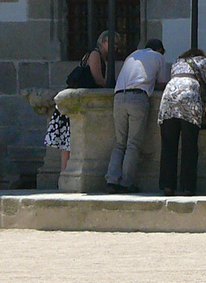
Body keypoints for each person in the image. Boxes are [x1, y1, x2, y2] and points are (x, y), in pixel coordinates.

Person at [157, 48, 206, 197]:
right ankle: (188, 187)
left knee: (168, 145)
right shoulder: (205, 62)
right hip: (189, 99)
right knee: (189, 145)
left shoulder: (177, 62)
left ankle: (168, 186)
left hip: (168, 99)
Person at [106, 38, 166, 193]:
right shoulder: (157, 57)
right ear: (159, 49)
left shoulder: (132, 55)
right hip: (138, 97)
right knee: (133, 143)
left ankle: (112, 180)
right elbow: (162, 82)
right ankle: (126, 182)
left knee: (120, 142)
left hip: (119, 97)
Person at [46, 29, 111, 173]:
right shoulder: (95, 54)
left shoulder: (96, 54)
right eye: (114, 43)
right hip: (75, 102)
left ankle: (64, 173)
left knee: (68, 141)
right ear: (104, 41)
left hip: (74, 101)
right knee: (68, 141)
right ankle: (65, 173)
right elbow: (98, 78)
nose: (116, 47)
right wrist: (110, 84)